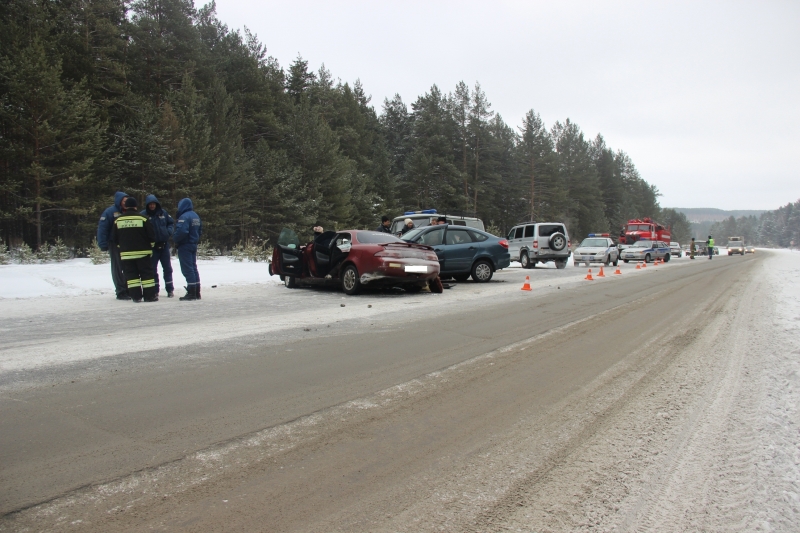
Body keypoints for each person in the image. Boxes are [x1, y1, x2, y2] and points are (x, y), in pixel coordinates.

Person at [112, 197, 157, 302]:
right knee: (147, 275)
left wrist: (121, 248)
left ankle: (136, 296)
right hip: (143, 252)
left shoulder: (118, 220)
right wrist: (151, 247)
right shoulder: (143, 219)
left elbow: (115, 238)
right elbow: (151, 236)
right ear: (136, 206)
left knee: (131, 276)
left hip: (126, 254)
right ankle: (149, 296)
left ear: (126, 206)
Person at [97, 191, 130, 300]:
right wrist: (102, 243)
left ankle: (128, 288)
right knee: (117, 267)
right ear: (119, 201)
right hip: (114, 243)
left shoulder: (129, 212)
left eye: (127, 201)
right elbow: (103, 229)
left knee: (128, 267)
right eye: (123, 201)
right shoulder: (110, 212)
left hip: (127, 243)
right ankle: (120, 290)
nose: (125, 203)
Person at [141, 194, 175, 297]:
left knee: (167, 268)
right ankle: (155, 290)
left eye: (153, 204)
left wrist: (168, 232)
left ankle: (170, 289)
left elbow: (171, 223)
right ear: (147, 205)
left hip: (164, 245)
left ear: (156, 204)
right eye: (150, 204)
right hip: (152, 247)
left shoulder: (163, 213)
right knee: (152, 269)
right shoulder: (143, 215)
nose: (152, 206)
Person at [174, 198, 202, 301]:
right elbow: (200, 230)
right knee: (193, 267)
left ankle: (191, 291)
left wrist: (175, 239)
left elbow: (182, 231)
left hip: (185, 244)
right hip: (193, 244)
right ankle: (197, 291)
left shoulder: (184, 217)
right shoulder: (196, 216)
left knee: (187, 268)